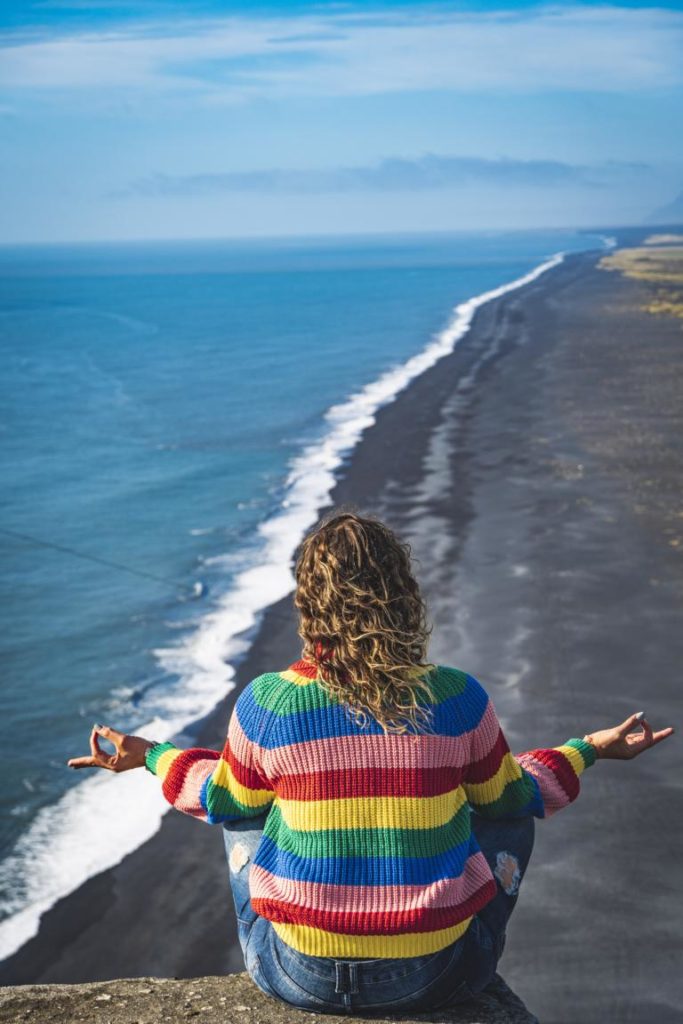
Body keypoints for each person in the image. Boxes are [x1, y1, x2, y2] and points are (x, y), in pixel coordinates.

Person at [68, 511, 674, 1015]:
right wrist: (589, 750)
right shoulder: (457, 698)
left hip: (295, 975)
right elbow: (514, 794)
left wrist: (150, 756)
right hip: (433, 976)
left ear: (309, 604)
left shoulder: (270, 702)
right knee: (509, 806)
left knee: (244, 809)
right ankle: (476, 941)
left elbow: (219, 798)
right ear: (402, 596)